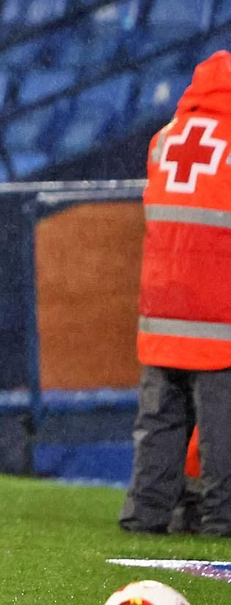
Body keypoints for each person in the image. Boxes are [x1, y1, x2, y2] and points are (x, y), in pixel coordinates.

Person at [120, 50, 231, 537]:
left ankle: (144, 515)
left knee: (160, 421)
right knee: (221, 428)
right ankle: (221, 519)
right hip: (218, 310)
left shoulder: (164, 139)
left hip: (162, 306)